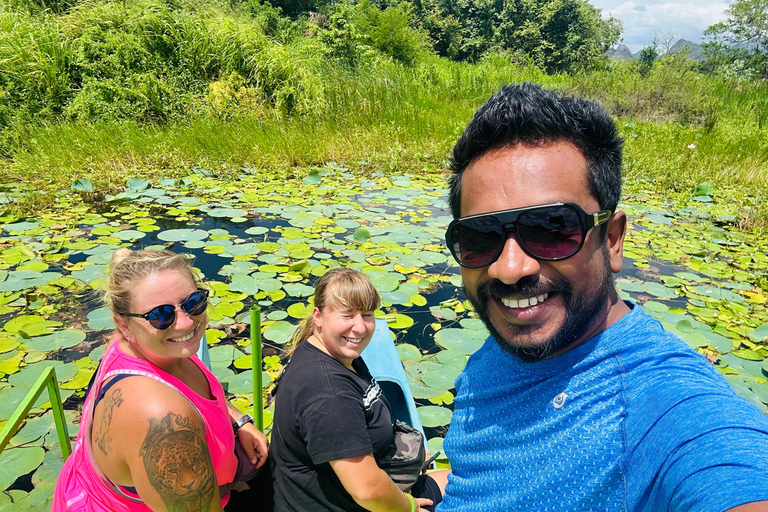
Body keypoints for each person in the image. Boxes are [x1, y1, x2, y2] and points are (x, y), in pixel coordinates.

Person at [437, 82, 768, 512]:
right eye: (480, 237)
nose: (509, 268)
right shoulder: (517, 339)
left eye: (552, 228)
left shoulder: (665, 408)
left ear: (612, 240)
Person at [53, 248, 269, 512]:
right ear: (123, 324)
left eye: (193, 302)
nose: (185, 322)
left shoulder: (150, 346)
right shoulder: (158, 415)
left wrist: (237, 420)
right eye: (160, 314)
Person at [270, 267, 449, 512]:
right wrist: (409, 507)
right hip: (350, 503)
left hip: (365, 482)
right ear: (318, 317)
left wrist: (411, 456)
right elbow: (367, 490)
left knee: (457, 481)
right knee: (469, 491)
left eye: (366, 314)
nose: (360, 327)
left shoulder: (336, 354)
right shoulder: (329, 395)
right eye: (347, 315)